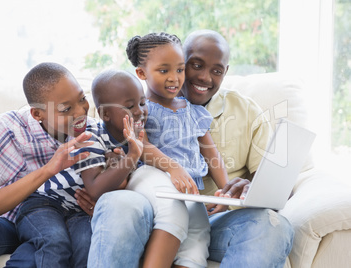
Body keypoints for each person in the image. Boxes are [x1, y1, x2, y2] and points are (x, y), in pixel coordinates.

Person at [0, 62, 154, 268]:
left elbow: (104, 184)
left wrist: (102, 201)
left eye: (82, 99)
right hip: (17, 218)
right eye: (66, 109)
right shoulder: (11, 128)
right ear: (38, 114)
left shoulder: (92, 132)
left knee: (41, 255)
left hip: (66, 221)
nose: (81, 112)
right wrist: (49, 169)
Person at [180, 29, 295, 267]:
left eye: (216, 71)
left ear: (226, 73)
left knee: (273, 226)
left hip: (218, 224)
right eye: (196, 65)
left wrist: (250, 188)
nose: (204, 77)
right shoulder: (144, 106)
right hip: (164, 220)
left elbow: (276, 187)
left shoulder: (246, 111)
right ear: (180, 62)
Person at [73, 69, 206, 268]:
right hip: (127, 199)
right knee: (173, 206)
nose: (139, 111)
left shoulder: (138, 131)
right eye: (129, 106)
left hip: (144, 195)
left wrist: (172, 167)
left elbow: (147, 150)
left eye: (142, 103)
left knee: (197, 215)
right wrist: (131, 157)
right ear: (105, 114)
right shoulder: (91, 138)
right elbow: (95, 189)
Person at [126, 32, 229, 268]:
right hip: (157, 181)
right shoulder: (143, 110)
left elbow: (211, 154)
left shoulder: (194, 111)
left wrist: (226, 190)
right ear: (142, 73)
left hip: (189, 188)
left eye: (180, 70)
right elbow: (143, 146)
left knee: (198, 239)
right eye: (164, 71)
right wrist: (173, 168)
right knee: (175, 218)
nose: (174, 78)